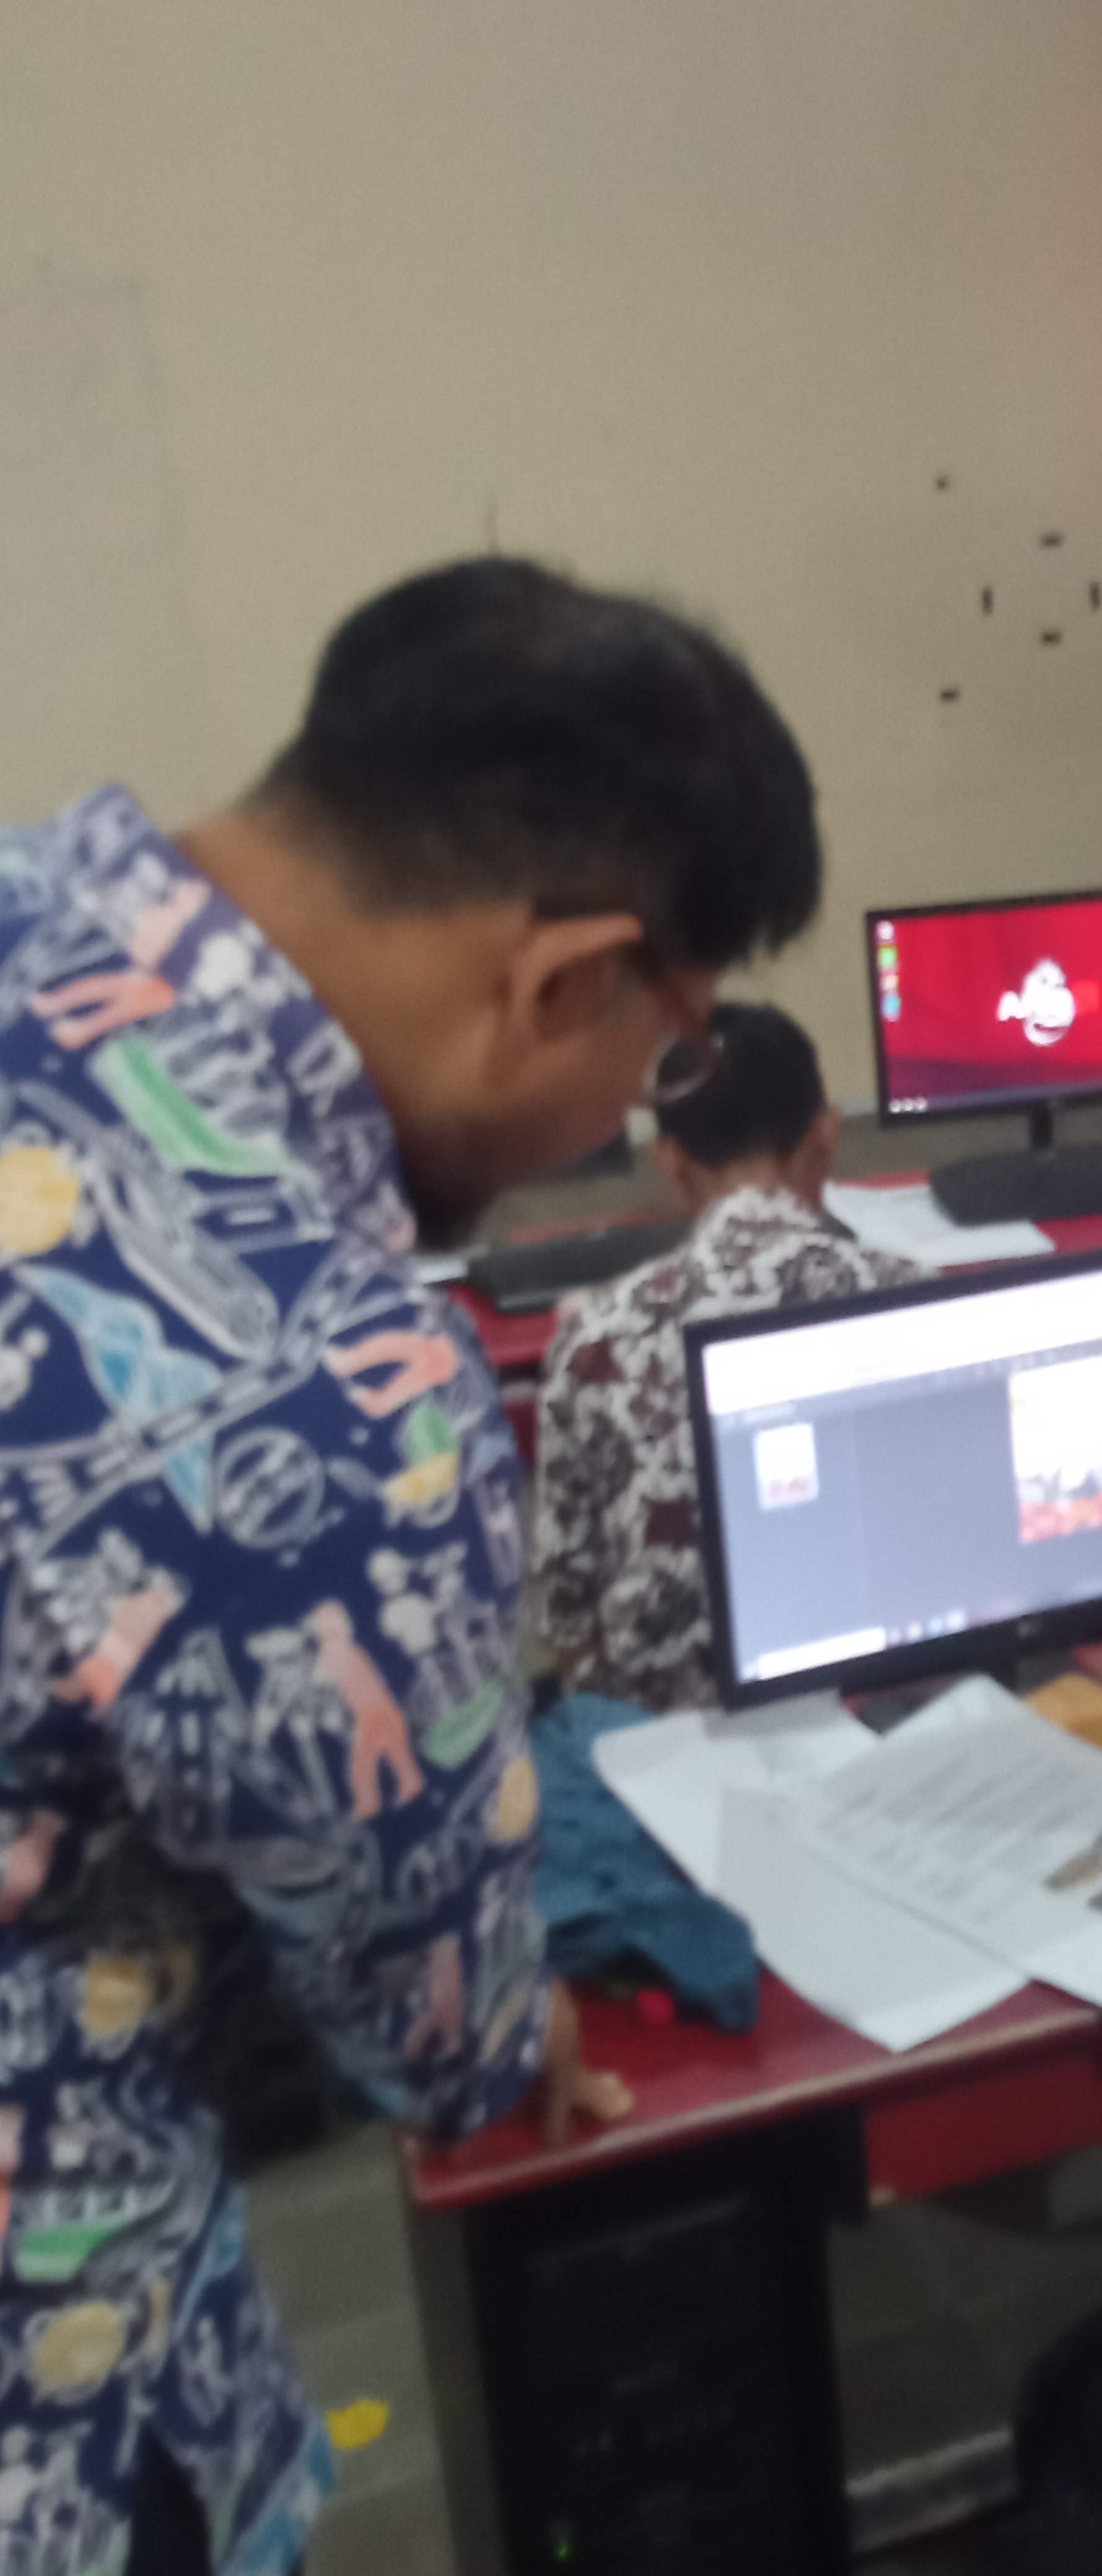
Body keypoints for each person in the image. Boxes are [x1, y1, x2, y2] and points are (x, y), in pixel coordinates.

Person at [0, 557, 821, 2575]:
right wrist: (503, 2014)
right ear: (562, 983)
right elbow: (439, 2036)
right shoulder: (329, 1387)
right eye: (657, 1051)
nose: (625, 1113)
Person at [533, 1000, 916, 1709]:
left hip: (664, 1735)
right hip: (885, 1709)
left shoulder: (595, 1338)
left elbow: (569, 1623)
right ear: (827, 1135)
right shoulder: (912, 1297)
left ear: (669, 1162)